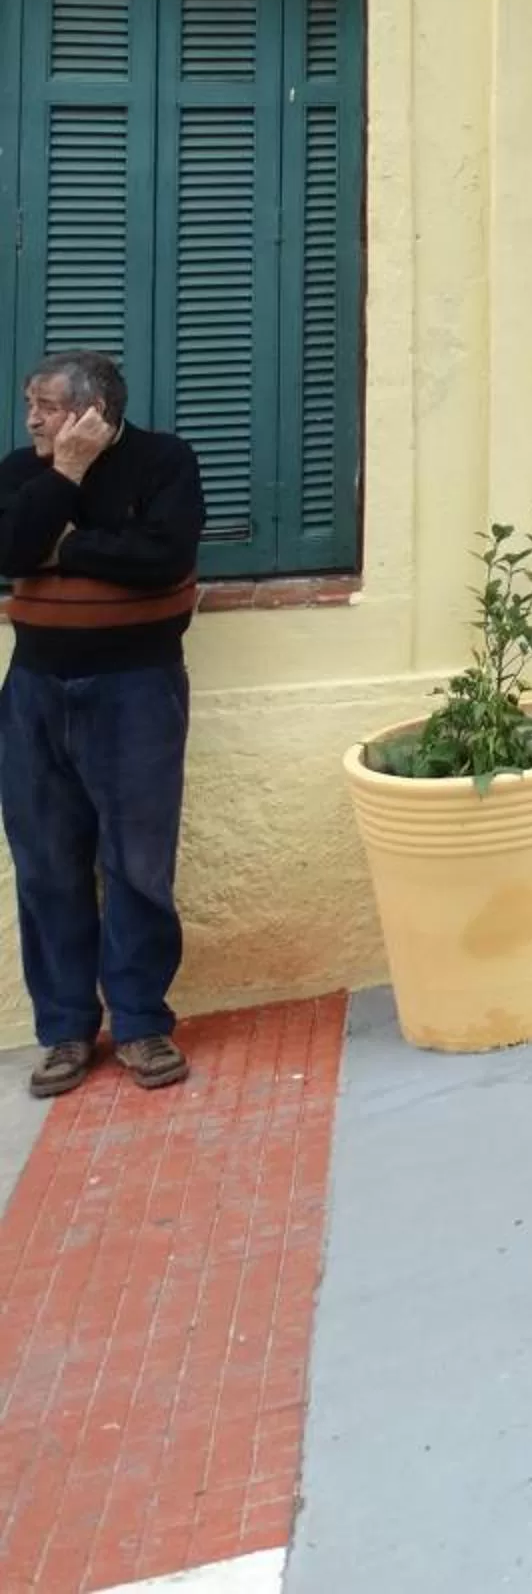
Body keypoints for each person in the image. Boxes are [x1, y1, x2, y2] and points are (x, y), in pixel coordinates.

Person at [0, 352, 204, 1096]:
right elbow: (7, 549)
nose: (32, 418)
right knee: (47, 865)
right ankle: (63, 1033)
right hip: (34, 692)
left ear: (94, 412)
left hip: (136, 688)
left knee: (138, 865)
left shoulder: (165, 461)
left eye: (47, 405)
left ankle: (143, 1025)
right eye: (31, 403)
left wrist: (63, 546)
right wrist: (63, 480)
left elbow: (163, 557)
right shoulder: (24, 472)